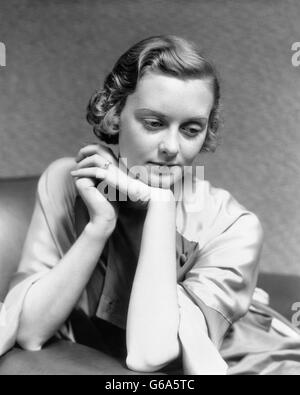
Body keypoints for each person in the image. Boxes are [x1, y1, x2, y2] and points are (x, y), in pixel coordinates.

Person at [1, 35, 300, 375]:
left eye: (190, 129)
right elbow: (30, 333)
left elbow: (149, 354)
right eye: (154, 123)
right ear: (115, 115)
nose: (171, 147)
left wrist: (159, 204)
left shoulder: (236, 226)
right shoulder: (66, 182)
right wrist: (99, 226)